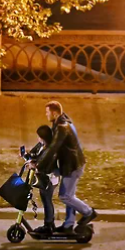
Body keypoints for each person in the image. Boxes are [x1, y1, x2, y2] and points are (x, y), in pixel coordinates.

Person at [29, 100, 97, 234]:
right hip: (71, 164)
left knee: (65, 196)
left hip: (73, 166)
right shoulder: (60, 122)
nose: (46, 115)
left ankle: (88, 212)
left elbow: (53, 148)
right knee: (69, 195)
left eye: (47, 112)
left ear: (54, 113)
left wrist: (39, 165)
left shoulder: (62, 127)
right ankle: (68, 225)